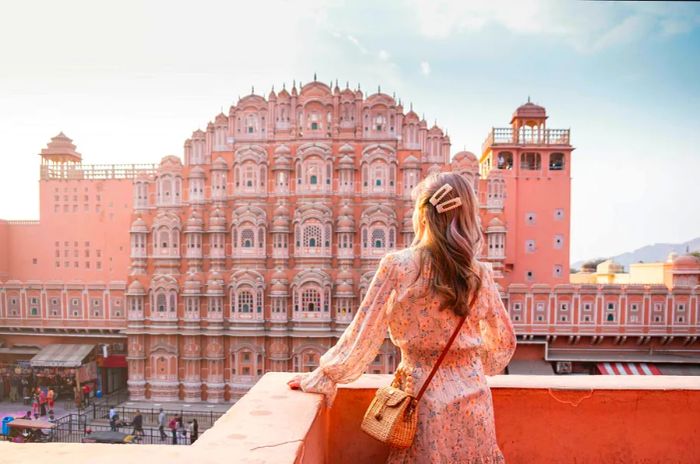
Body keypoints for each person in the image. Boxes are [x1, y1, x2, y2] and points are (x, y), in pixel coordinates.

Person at [288, 172, 516, 463]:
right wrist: (465, 365)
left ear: (422, 215)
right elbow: (504, 344)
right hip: (474, 399)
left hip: (422, 397)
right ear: (468, 215)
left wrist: (325, 376)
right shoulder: (480, 273)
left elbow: (364, 332)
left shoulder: (399, 266)